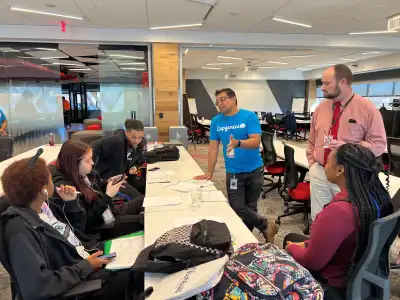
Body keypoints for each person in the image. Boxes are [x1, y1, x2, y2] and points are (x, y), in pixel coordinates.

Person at [1, 156, 138, 300]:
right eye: (50, 178)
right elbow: (37, 287)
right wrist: (86, 266)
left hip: (86, 258)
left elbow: (77, 232)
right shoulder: (19, 231)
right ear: (43, 190)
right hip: (78, 283)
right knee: (138, 275)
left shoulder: (46, 206)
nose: (53, 181)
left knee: (140, 252)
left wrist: (71, 203)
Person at [284, 144, 393, 297]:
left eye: (327, 162)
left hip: (333, 280)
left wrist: (291, 249)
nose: (324, 165)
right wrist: (305, 244)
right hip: (356, 269)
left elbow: (312, 261)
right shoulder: (376, 198)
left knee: (288, 244)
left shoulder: (339, 211)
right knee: (293, 238)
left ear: (340, 170)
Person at [194, 88, 278, 242]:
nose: (219, 103)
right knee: (237, 206)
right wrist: (209, 172)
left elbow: (255, 142)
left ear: (233, 99)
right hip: (233, 171)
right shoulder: (216, 121)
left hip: (254, 170)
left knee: (250, 207)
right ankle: (266, 225)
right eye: (217, 101)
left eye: (223, 99)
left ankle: (246, 240)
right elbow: (213, 148)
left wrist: (238, 143)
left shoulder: (249, 116)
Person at [307, 64, 386, 220]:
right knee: (318, 218)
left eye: (327, 83)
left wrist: (349, 148)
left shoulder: (367, 109)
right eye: (321, 83)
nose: (322, 87)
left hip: (349, 177)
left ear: (343, 82)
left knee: (347, 221)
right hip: (320, 172)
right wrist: (313, 164)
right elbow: (312, 139)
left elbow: (379, 145)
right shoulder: (320, 108)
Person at [51, 140, 144, 241]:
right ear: (74, 163)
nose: (93, 162)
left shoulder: (88, 174)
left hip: (108, 212)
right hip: (99, 227)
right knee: (143, 220)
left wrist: (107, 182)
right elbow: (87, 222)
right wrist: (108, 196)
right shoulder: (66, 190)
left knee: (144, 200)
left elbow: (94, 189)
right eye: (88, 160)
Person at [92, 119, 147, 194]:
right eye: (133, 137)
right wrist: (91, 171)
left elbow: (137, 160)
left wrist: (134, 166)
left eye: (140, 137)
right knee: (139, 199)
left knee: (146, 187)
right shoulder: (117, 141)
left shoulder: (139, 145)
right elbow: (93, 147)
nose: (137, 141)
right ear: (126, 133)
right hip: (110, 181)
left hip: (124, 177)